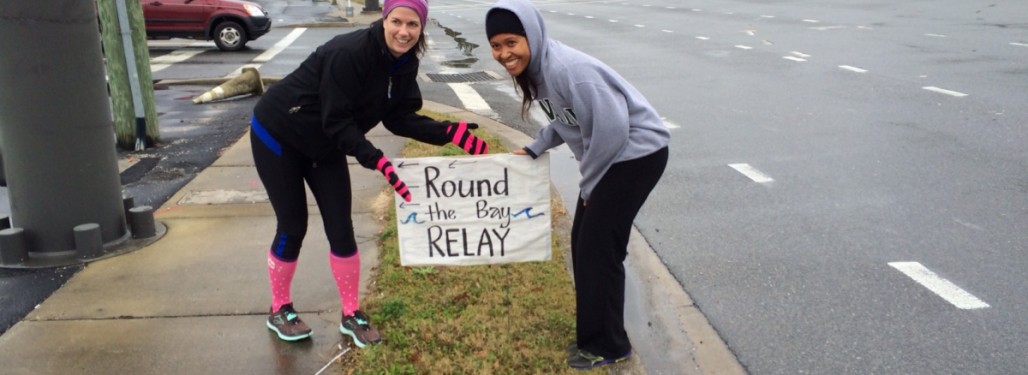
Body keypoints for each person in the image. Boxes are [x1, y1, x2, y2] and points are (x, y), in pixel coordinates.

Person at [250, 0, 489, 347]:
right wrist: (377, 160)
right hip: (278, 134)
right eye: (397, 22)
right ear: (384, 18)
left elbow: (399, 116)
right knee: (293, 225)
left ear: (422, 28)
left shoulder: (405, 63)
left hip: (325, 144)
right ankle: (279, 308)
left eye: (413, 25)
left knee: (340, 226)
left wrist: (447, 133)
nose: (404, 32)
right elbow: (337, 120)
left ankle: (351, 313)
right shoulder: (349, 53)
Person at [485, 0, 671, 370]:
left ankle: (609, 346)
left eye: (511, 42)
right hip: (615, 157)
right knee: (585, 246)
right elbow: (565, 119)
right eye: (496, 45)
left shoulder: (569, 70)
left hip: (636, 155)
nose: (504, 53)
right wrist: (537, 145)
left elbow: (612, 130)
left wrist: (590, 186)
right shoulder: (539, 70)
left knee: (599, 249)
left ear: (531, 37)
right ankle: (594, 336)